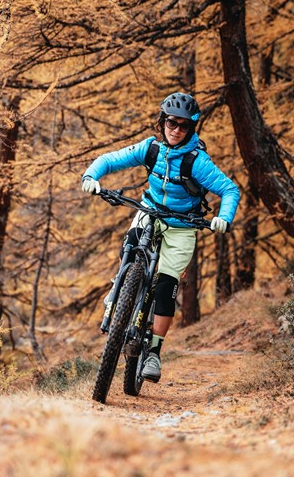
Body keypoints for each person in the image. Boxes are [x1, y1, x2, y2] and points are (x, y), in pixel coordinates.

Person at [81, 92, 240, 383]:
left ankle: (153, 352)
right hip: (150, 211)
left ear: (191, 129)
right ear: (162, 121)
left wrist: (223, 218)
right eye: (171, 123)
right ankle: (120, 287)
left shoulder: (197, 161)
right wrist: (91, 177)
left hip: (182, 225)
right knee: (130, 246)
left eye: (183, 126)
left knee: (166, 285)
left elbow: (230, 190)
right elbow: (111, 159)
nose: (175, 130)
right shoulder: (150, 148)